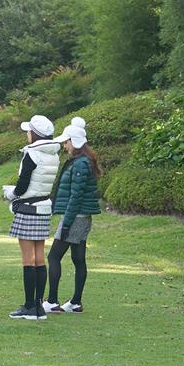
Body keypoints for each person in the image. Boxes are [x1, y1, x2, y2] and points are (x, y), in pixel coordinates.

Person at [4, 115, 60, 321]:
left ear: (34, 133)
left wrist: (11, 194)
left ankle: (29, 306)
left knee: (28, 259)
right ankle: (38, 306)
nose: (27, 134)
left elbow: (23, 185)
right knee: (39, 258)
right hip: (44, 207)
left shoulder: (32, 154)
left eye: (28, 131)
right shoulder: (54, 154)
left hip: (28, 208)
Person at [43, 117, 102, 313]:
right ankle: (75, 302)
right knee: (78, 258)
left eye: (66, 142)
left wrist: (66, 223)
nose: (65, 145)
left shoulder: (79, 165)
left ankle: (52, 301)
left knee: (53, 257)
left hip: (75, 217)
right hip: (83, 217)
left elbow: (75, 197)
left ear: (74, 142)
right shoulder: (84, 161)